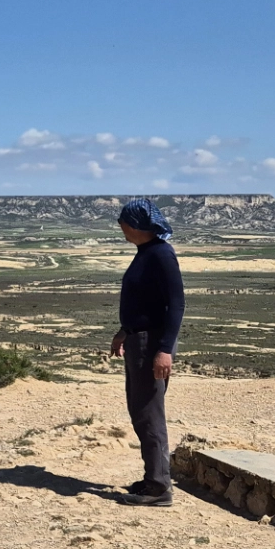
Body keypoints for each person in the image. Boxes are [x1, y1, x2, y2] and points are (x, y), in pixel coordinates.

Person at [109, 198, 184, 507]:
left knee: (148, 413)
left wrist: (164, 349)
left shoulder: (161, 255)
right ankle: (154, 476)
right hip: (140, 339)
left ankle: (158, 488)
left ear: (138, 225)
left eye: (124, 223)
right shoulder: (146, 253)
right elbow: (145, 304)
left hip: (151, 344)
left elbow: (176, 304)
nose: (121, 228)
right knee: (143, 411)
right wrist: (125, 330)